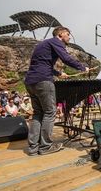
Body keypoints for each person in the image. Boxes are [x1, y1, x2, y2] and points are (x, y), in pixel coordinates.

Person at [24, 26, 88, 156]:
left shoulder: (43, 44)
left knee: (38, 113)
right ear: (60, 34)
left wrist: (57, 73)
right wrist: (82, 67)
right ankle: (45, 146)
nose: (69, 37)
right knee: (50, 112)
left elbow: (40, 64)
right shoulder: (55, 41)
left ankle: (33, 147)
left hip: (30, 81)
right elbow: (66, 58)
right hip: (43, 81)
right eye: (67, 34)